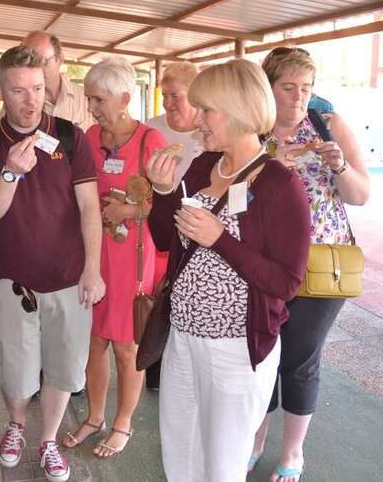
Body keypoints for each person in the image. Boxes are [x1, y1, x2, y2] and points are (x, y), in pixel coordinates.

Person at [147, 59, 311, 482]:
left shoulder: (279, 185)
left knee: (222, 468)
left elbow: (287, 283)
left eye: (206, 110)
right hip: (183, 337)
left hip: (236, 349)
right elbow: (167, 239)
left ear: (237, 109)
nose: (196, 120)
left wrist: (221, 239)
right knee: (180, 458)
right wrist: (164, 192)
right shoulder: (204, 166)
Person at [0, 45, 105, 482]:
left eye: (38, 89)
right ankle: (17, 425)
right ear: (0, 91)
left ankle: (47, 439)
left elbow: (89, 208)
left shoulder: (69, 136)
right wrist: (10, 172)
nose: (30, 100)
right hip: (15, 280)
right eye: (18, 90)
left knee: (64, 368)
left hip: (69, 279)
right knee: (16, 370)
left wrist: (93, 268)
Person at [250, 49, 370, 482]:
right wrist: (265, 166)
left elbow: (359, 195)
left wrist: (338, 165)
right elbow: (230, 190)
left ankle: (293, 453)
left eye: (307, 88)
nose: (299, 98)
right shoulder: (254, 130)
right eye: (288, 88)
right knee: (261, 354)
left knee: (300, 359)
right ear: (268, 88)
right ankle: (256, 439)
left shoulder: (328, 125)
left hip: (321, 263)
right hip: (263, 262)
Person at [59, 56, 165, 457]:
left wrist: (130, 210)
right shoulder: (89, 136)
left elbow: (168, 205)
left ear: (124, 97)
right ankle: (95, 416)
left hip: (134, 255)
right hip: (95, 251)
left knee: (126, 344)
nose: (92, 108)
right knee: (94, 340)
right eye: (89, 99)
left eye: (99, 99)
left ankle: (123, 423)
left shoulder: (149, 140)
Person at [145, 61, 203, 391]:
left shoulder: (210, 134)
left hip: (199, 232)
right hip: (161, 229)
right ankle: (156, 367)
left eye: (175, 96)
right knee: (160, 298)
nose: (168, 103)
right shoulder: (152, 130)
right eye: (165, 96)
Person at [23, 30, 94, 131]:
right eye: (29, 62)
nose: (36, 68)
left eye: (43, 61)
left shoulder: (86, 99)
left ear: (59, 59)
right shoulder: (17, 104)